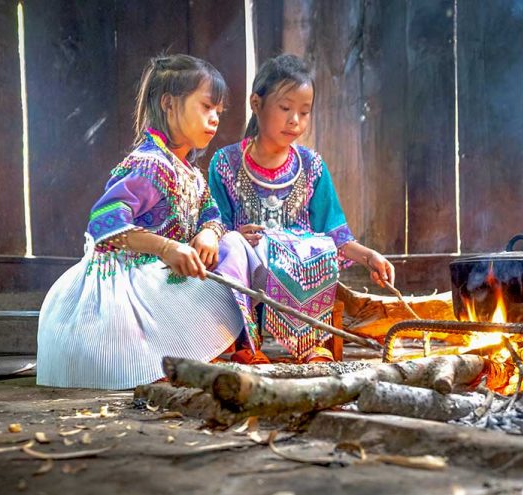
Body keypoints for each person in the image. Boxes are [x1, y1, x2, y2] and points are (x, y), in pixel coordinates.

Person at [37, 54, 261, 389]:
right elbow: (103, 222)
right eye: (206, 107)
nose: (214, 119)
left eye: (218, 111)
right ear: (169, 104)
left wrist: (209, 233)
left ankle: (202, 350)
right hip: (124, 288)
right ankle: (163, 358)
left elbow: (212, 214)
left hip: (158, 279)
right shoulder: (148, 165)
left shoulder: (190, 174)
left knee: (235, 246)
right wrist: (168, 248)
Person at [208, 54, 395, 364]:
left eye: (304, 112)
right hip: (249, 273)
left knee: (317, 245)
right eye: (285, 109)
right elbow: (213, 225)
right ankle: (246, 344)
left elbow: (335, 235)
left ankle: (311, 342)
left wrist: (369, 256)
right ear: (256, 103)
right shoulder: (225, 163)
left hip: (299, 272)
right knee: (231, 246)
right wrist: (235, 235)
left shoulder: (311, 166)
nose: (295, 120)